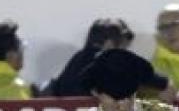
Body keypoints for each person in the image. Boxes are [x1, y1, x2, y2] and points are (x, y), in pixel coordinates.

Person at [42, 18, 172, 100]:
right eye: (123, 48)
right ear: (109, 43)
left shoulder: (76, 60)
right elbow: (144, 75)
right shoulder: (107, 59)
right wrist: (165, 84)